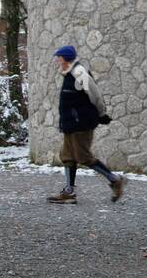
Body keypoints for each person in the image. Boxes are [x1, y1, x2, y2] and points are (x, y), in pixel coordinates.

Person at [47, 45, 125, 204]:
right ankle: (69, 192)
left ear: (66, 58)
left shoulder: (79, 72)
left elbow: (95, 94)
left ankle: (115, 180)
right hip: (70, 124)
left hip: (81, 122)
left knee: (83, 156)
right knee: (67, 156)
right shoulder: (69, 73)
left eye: (59, 57)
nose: (57, 60)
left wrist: (102, 114)